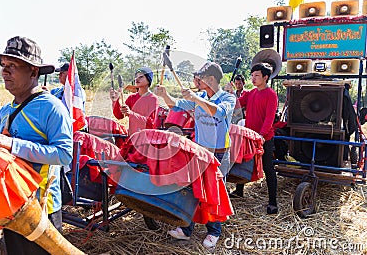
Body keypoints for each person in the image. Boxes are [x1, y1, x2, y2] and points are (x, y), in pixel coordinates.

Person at [0, 36, 73, 254]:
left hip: (40, 208)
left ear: (34, 72)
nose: (5, 71)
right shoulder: (6, 110)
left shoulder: (52, 108)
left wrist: (11, 144)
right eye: (4, 66)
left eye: (12, 66)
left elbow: (64, 155)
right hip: (10, 207)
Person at [155, 61, 235, 250]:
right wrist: (165, 94)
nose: (198, 80)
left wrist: (196, 99)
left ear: (212, 79)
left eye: (201, 77)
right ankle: (186, 229)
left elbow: (219, 112)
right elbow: (175, 105)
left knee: (213, 191)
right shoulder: (198, 96)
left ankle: (214, 231)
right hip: (199, 149)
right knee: (192, 188)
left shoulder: (227, 98)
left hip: (219, 152)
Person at [230, 63, 279, 215]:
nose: (253, 78)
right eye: (252, 76)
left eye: (257, 75)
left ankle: (273, 202)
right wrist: (230, 93)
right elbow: (237, 104)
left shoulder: (271, 94)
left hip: (264, 138)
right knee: (243, 161)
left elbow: (269, 119)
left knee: (268, 167)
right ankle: (239, 191)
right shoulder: (251, 93)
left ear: (265, 77)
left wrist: (262, 136)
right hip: (249, 135)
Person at [110, 67, 159, 135]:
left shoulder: (153, 99)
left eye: (141, 77)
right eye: (136, 76)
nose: (137, 79)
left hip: (147, 138)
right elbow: (119, 116)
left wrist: (131, 113)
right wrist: (115, 101)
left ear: (148, 80)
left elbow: (151, 123)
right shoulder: (131, 97)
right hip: (132, 136)